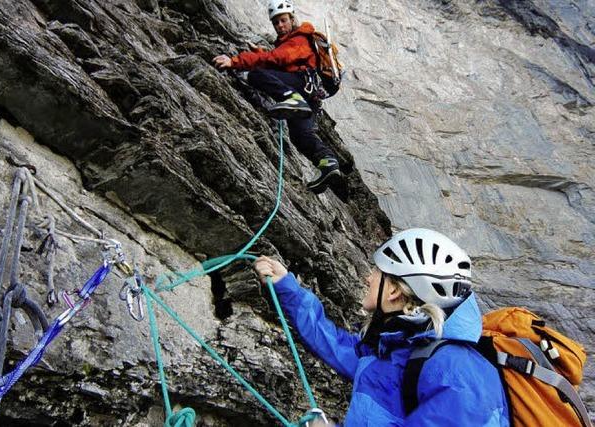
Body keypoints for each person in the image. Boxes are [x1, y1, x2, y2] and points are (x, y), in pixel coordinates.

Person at [254, 228, 510, 426]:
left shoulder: (457, 372)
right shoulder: (394, 347)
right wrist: (286, 286)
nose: (368, 277)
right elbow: (336, 345)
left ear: (394, 291)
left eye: (377, 271)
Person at [213, 0, 341, 194]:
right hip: (311, 96)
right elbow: (283, 62)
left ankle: (291, 98)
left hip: (300, 86)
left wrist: (235, 61)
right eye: (276, 23)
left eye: (283, 20)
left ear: (292, 19)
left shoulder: (300, 37)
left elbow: (277, 59)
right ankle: (327, 162)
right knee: (300, 135)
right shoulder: (296, 42)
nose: (280, 26)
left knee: (256, 75)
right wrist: (262, 53)